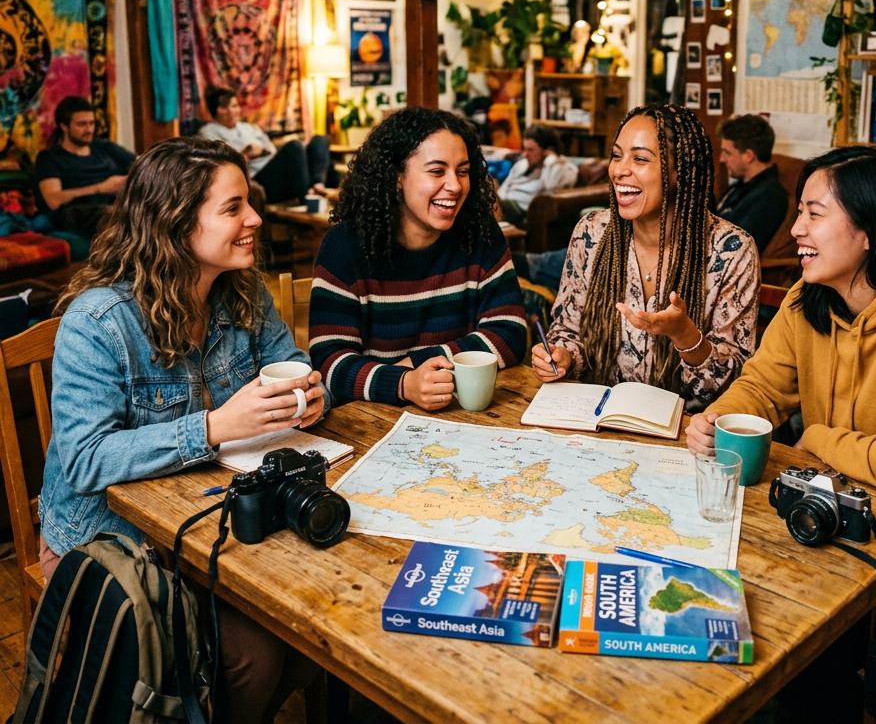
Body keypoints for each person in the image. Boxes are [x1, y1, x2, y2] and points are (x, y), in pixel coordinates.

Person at [685, 145, 876, 724]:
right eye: (799, 212)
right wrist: (717, 420)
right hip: (835, 518)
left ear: (870, 231)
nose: (796, 229)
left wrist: (818, 438)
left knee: (796, 647)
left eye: (814, 213)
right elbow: (762, 385)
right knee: (723, 608)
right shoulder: (811, 297)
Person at [39, 137, 327, 722]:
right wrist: (216, 426)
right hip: (112, 539)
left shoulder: (240, 293)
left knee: (314, 630)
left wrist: (309, 394)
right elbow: (86, 460)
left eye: (249, 203)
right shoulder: (96, 323)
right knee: (253, 653)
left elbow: (289, 359)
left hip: (211, 514)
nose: (254, 218)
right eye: (233, 208)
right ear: (174, 224)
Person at [531, 105, 759, 410]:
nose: (619, 170)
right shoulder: (592, 233)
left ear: (682, 172)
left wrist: (686, 336)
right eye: (616, 155)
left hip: (688, 434)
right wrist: (563, 357)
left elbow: (735, 386)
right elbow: (569, 332)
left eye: (640, 158)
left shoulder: (732, 250)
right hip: (598, 419)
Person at [308, 106, 527, 410]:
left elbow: (510, 330)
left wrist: (417, 363)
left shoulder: (479, 231)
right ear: (396, 176)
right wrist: (403, 384)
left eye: (463, 171)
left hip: (461, 415)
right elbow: (329, 362)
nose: (454, 185)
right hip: (371, 420)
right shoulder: (345, 245)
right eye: (437, 171)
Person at [198, 86, 335, 204]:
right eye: (234, 106)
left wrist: (262, 151)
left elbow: (271, 150)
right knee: (294, 146)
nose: (239, 110)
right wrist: (245, 154)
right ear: (221, 109)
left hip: (275, 168)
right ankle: (306, 197)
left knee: (320, 140)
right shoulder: (208, 133)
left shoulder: (250, 128)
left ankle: (318, 185)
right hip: (259, 180)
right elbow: (217, 167)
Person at [35, 95, 136, 240]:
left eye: (92, 123)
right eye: (82, 124)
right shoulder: (49, 158)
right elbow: (53, 200)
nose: (89, 129)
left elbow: (143, 165)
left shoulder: (105, 147)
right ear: (64, 126)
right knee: (118, 215)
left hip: (116, 204)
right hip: (77, 211)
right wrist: (101, 188)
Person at [716, 113, 790, 253]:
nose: (722, 159)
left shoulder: (770, 195)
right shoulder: (739, 186)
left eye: (727, 153)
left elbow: (736, 248)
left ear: (748, 156)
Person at [496, 124, 579, 229]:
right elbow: (505, 187)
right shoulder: (522, 164)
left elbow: (551, 186)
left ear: (548, 150)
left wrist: (550, 161)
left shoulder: (564, 168)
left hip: (523, 211)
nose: (525, 154)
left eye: (530, 150)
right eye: (524, 149)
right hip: (504, 206)